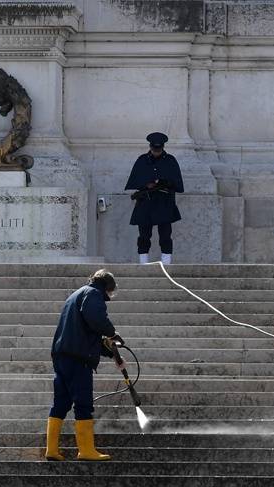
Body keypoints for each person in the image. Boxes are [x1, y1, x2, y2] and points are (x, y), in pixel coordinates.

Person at [45, 269, 125, 461]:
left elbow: (85, 330)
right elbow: (96, 319)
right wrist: (112, 333)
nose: (109, 297)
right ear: (107, 286)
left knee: (61, 403)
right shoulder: (93, 294)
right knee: (83, 403)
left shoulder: (76, 295)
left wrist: (108, 350)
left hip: (63, 355)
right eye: (111, 292)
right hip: (77, 358)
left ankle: (52, 450)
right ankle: (86, 450)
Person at [124, 132, 184, 265]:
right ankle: (143, 262)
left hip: (164, 202)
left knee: (165, 235)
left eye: (159, 149)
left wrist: (163, 182)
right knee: (144, 235)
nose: (156, 152)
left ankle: (166, 262)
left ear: (162, 148)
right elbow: (134, 181)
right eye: (154, 149)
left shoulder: (170, 161)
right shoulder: (142, 160)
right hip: (146, 202)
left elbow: (177, 184)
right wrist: (146, 184)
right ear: (150, 147)